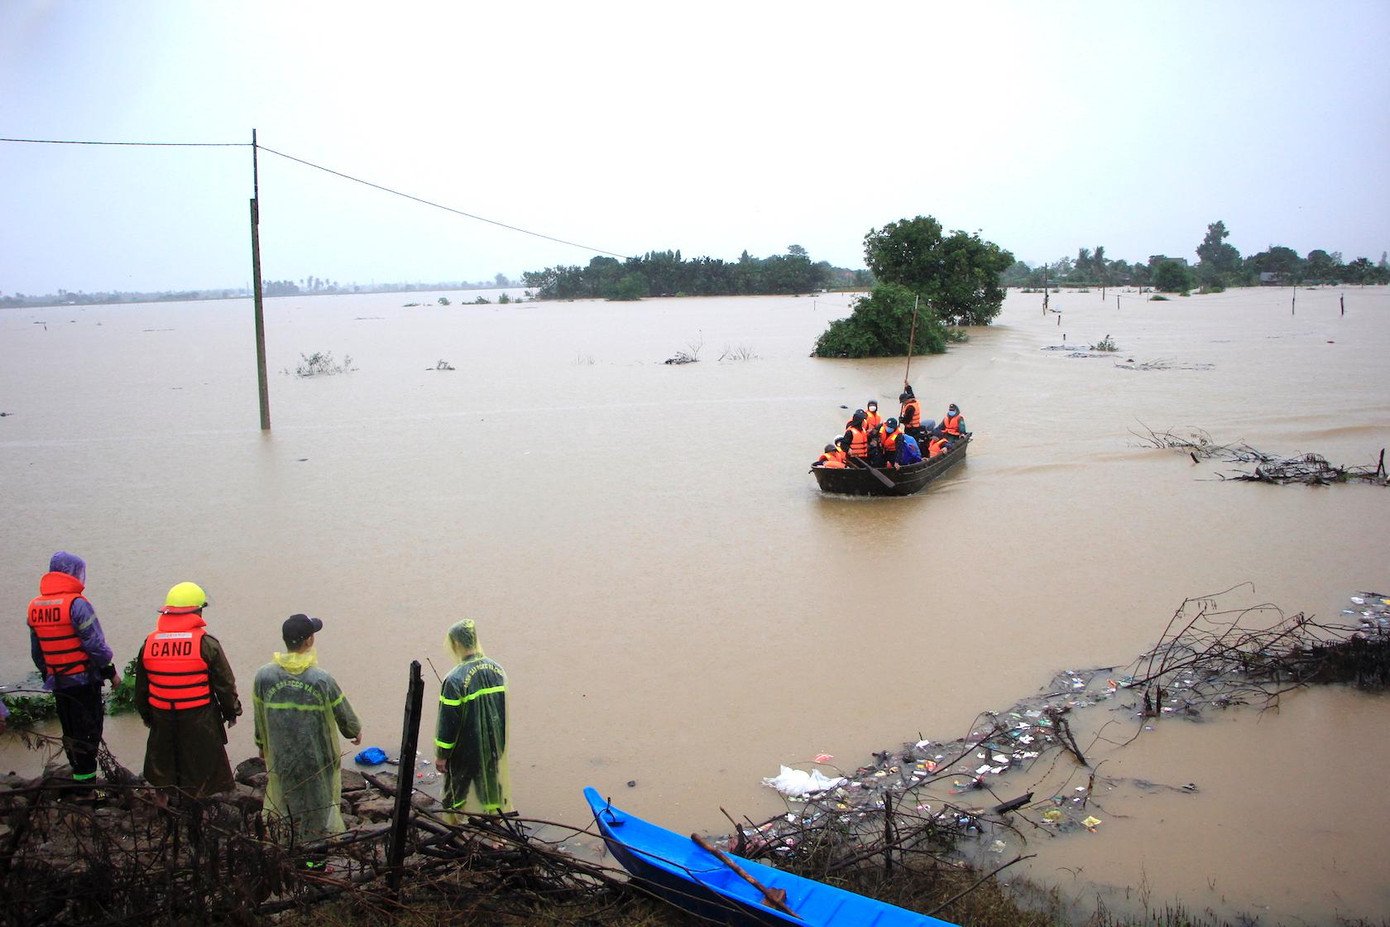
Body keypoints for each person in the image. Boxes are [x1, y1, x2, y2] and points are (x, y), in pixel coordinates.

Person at [253, 614, 362, 843]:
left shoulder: (264, 676)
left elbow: (259, 715)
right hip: (316, 758)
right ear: (309, 640)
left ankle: (292, 858)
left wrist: (262, 745)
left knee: (287, 806)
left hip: (282, 756)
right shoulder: (319, 678)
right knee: (318, 812)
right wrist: (354, 731)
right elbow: (342, 712)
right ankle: (314, 865)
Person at [135, 581, 242, 800]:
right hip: (199, 718)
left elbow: (141, 689)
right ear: (197, 611)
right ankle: (198, 815)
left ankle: (172, 809)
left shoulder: (149, 643)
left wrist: (148, 717)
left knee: (166, 772)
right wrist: (232, 712)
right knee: (204, 774)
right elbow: (225, 685)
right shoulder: (206, 644)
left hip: (162, 718)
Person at [27, 551, 120, 802]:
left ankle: (81, 783)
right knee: (89, 734)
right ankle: (89, 792)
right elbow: (95, 645)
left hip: (58, 683)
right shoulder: (77, 603)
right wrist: (110, 672)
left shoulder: (35, 606)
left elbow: (37, 653)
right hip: (83, 682)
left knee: (71, 733)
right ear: (74, 574)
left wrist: (49, 673)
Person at [435, 618, 511, 819]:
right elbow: (501, 713)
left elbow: (448, 721)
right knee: (491, 789)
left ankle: (454, 830)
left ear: (457, 644)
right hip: (492, 745)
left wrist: (442, 754)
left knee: (455, 791)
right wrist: (499, 745)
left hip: (464, 749)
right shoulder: (496, 670)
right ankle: (496, 835)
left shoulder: (454, 679)